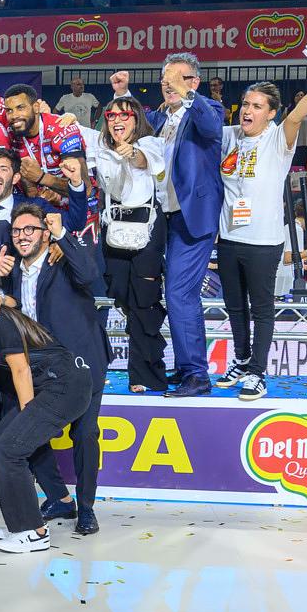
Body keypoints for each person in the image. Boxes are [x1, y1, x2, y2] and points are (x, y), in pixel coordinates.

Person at [217, 62, 307, 400]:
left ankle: (257, 372)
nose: (248, 110)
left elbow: (297, 116)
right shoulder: (231, 135)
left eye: (257, 106)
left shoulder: (277, 138)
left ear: (271, 113)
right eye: (245, 104)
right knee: (235, 307)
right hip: (228, 237)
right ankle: (241, 361)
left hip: (262, 241)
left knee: (261, 308)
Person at [111, 56, 225, 398]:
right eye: (165, 79)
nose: (169, 84)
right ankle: (186, 367)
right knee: (160, 292)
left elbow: (210, 127)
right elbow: (133, 126)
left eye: (178, 78)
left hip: (193, 218)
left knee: (179, 293)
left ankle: (197, 374)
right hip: (161, 218)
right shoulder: (160, 118)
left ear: (194, 82)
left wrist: (186, 93)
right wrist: (123, 94)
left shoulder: (208, 110)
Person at [0, 198, 107, 535]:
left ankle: (86, 508)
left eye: (30, 229)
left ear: (45, 233)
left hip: (83, 363)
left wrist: (62, 237)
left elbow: (90, 274)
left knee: (85, 434)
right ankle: (59, 497)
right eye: (17, 230)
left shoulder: (63, 258)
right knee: (27, 430)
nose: (22, 235)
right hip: (43, 368)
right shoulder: (13, 270)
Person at [0, 261, 91, 556]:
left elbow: (20, 370)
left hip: (64, 385)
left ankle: (34, 532)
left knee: (9, 450)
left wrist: (28, 417)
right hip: (49, 386)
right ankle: (18, 524)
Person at [84, 99, 168, 393]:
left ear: (137, 119)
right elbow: (75, 130)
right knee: (117, 294)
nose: (117, 120)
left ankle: (145, 375)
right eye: (111, 115)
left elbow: (146, 160)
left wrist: (131, 152)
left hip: (147, 229)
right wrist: (58, 117)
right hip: (114, 231)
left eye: (125, 115)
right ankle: (100, 367)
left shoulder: (150, 142)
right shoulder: (100, 145)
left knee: (144, 301)